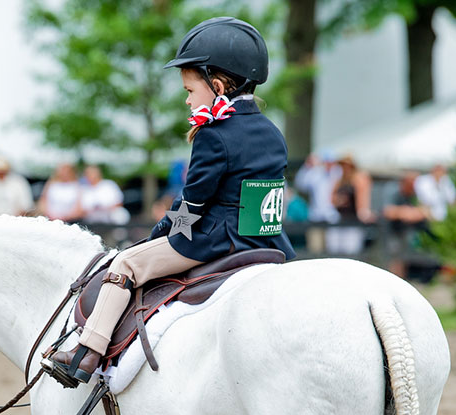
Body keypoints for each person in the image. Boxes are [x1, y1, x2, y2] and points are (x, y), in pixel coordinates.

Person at [47, 17, 294, 384]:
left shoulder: (215, 134)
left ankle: (86, 353)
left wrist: (158, 235)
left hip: (218, 239)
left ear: (219, 84)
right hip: (267, 239)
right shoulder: (273, 131)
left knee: (127, 263)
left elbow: (192, 205)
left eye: (191, 90)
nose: (187, 98)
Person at [325, 154, 373, 255]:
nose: (345, 168)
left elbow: (362, 199)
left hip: (353, 220)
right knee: (334, 250)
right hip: (340, 219)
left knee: (351, 252)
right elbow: (331, 199)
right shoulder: (339, 180)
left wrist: (364, 213)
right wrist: (339, 200)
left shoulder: (358, 179)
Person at [294, 150, 341, 253]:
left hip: (333, 218)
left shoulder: (339, 173)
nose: (329, 165)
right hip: (315, 217)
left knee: (334, 252)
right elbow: (300, 184)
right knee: (315, 250)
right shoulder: (316, 173)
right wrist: (307, 166)